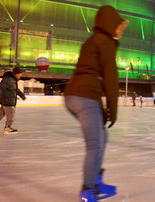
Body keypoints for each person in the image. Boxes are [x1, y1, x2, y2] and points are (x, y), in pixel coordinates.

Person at [64, 5, 129, 201]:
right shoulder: (106, 41)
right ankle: (87, 190)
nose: (121, 31)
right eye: (119, 26)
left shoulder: (92, 41)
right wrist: (113, 109)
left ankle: (96, 181)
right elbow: (110, 77)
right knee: (95, 145)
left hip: (73, 96)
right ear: (111, 24)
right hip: (85, 97)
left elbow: (90, 72)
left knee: (102, 138)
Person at [0, 67, 26, 135]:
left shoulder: (13, 80)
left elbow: (15, 89)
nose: (20, 75)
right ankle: (8, 128)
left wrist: (21, 95)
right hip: (7, 101)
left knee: (0, 115)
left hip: (7, 100)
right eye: (19, 74)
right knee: (11, 114)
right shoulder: (8, 79)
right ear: (16, 74)